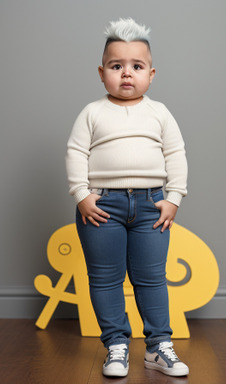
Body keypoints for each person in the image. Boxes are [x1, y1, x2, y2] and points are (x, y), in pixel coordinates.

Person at [66, 17, 189, 378]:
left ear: (151, 74)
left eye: (136, 67)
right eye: (117, 66)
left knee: (151, 278)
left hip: (152, 205)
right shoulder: (92, 113)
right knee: (105, 278)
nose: (126, 74)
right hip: (101, 206)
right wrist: (81, 195)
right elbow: (76, 152)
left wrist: (174, 197)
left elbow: (176, 154)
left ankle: (157, 347)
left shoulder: (159, 112)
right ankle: (116, 345)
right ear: (102, 72)